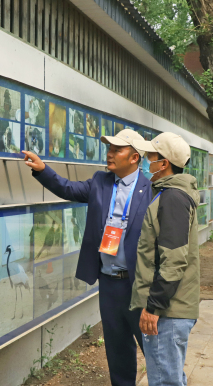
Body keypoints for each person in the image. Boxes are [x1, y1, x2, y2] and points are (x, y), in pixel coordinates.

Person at [23, 129, 151, 386]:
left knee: (154, 350)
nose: (110, 153)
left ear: (135, 157)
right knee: (117, 350)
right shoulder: (100, 182)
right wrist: (42, 169)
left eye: (117, 150)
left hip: (139, 286)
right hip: (110, 283)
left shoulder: (151, 190)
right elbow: (68, 188)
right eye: (109, 148)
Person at [130, 132, 200, 386]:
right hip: (171, 309)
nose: (147, 162)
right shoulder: (171, 194)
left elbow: (174, 260)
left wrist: (153, 307)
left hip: (168, 311)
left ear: (164, 163)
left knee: (164, 381)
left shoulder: (172, 198)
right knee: (170, 378)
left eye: (151, 157)